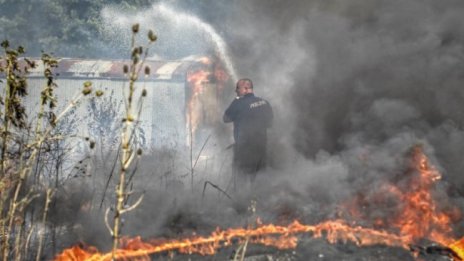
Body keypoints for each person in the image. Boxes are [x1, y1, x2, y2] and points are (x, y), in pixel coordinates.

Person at [223, 78, 273, 186]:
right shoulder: (265, 103)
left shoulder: (238, 103)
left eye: (237, 88)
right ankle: (258, 201)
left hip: (244, 149)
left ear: (245, 89)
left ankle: (243, 201)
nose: (236, 91)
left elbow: (225, 118)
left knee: (241, 179)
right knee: (260, 179)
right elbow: (270, 124)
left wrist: (236, 100)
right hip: (261, 148)